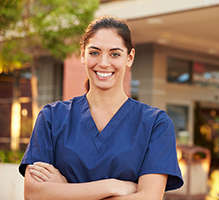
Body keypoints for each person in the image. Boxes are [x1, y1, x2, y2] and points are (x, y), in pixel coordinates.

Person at [19, 15, 183, 200]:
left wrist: (65, 190)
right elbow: (33, 194)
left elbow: (149, 198)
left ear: (129, 58)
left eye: (115, 54)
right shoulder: (52, 118)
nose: (104, 63)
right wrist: (112, 186)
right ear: (83, 55)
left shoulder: (155, 124)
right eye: (94, 52)